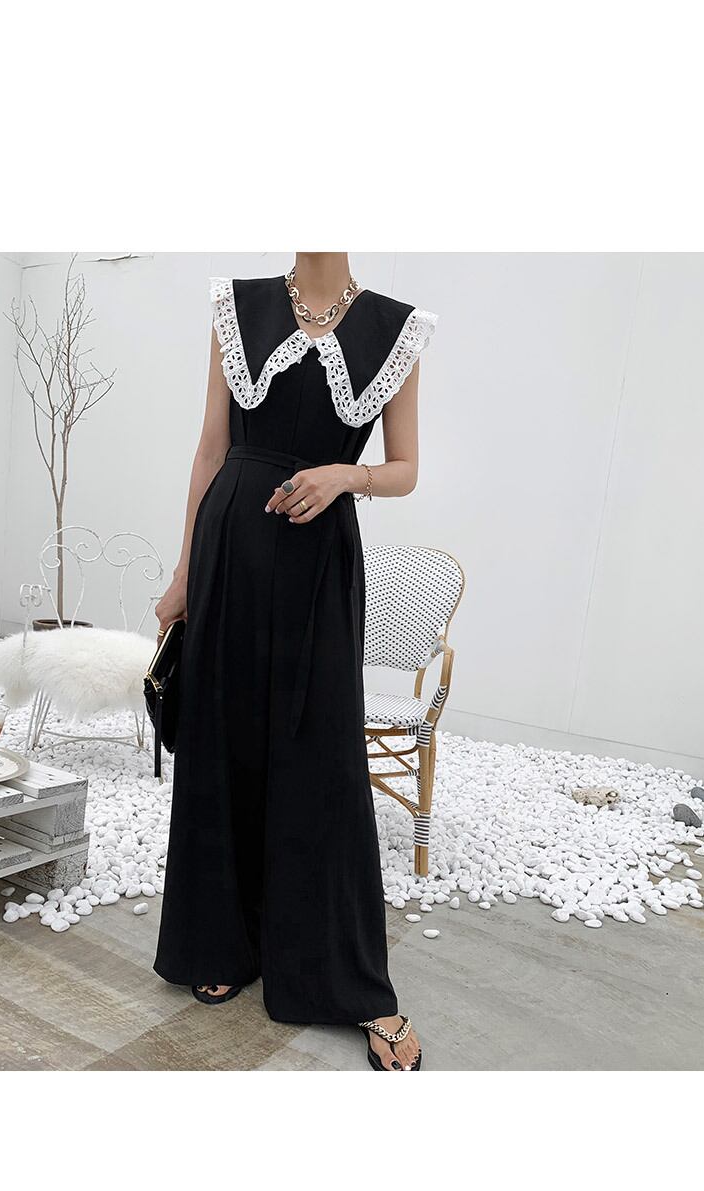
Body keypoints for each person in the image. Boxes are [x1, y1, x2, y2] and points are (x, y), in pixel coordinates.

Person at [153, 253, 436, 1071]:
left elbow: (406, 469)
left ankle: (350, 981)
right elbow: (211, 449)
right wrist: (185, 572)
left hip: (318, 563)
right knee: (224, 742)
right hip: (231, 547)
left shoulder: (395, 328)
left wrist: (345, 475)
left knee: (323, 760)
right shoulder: (235, 306)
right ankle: (219, 940)